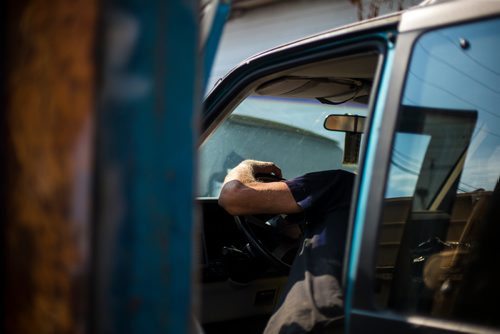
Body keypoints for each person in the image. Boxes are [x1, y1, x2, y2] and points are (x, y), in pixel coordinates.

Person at [218, 159, 355, 334]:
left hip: (310, 320)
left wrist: (246, 165)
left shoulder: (339, 183)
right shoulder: (370, 204)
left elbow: (232, 197)